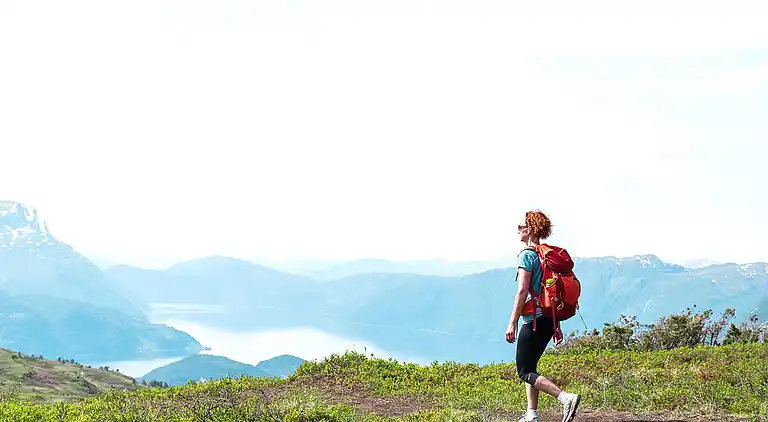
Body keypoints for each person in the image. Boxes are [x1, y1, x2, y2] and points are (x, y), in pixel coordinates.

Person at [505, 210, 581, 422]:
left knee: (524, 371)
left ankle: (565, 398)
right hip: (549, 318)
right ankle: (532, 414)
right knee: (532, 366)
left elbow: (522, 291)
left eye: (521, 227)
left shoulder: (527, 255)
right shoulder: (545, 254)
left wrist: (512, 322)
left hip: (534, 320)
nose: (518, 230)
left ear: (529, 229)